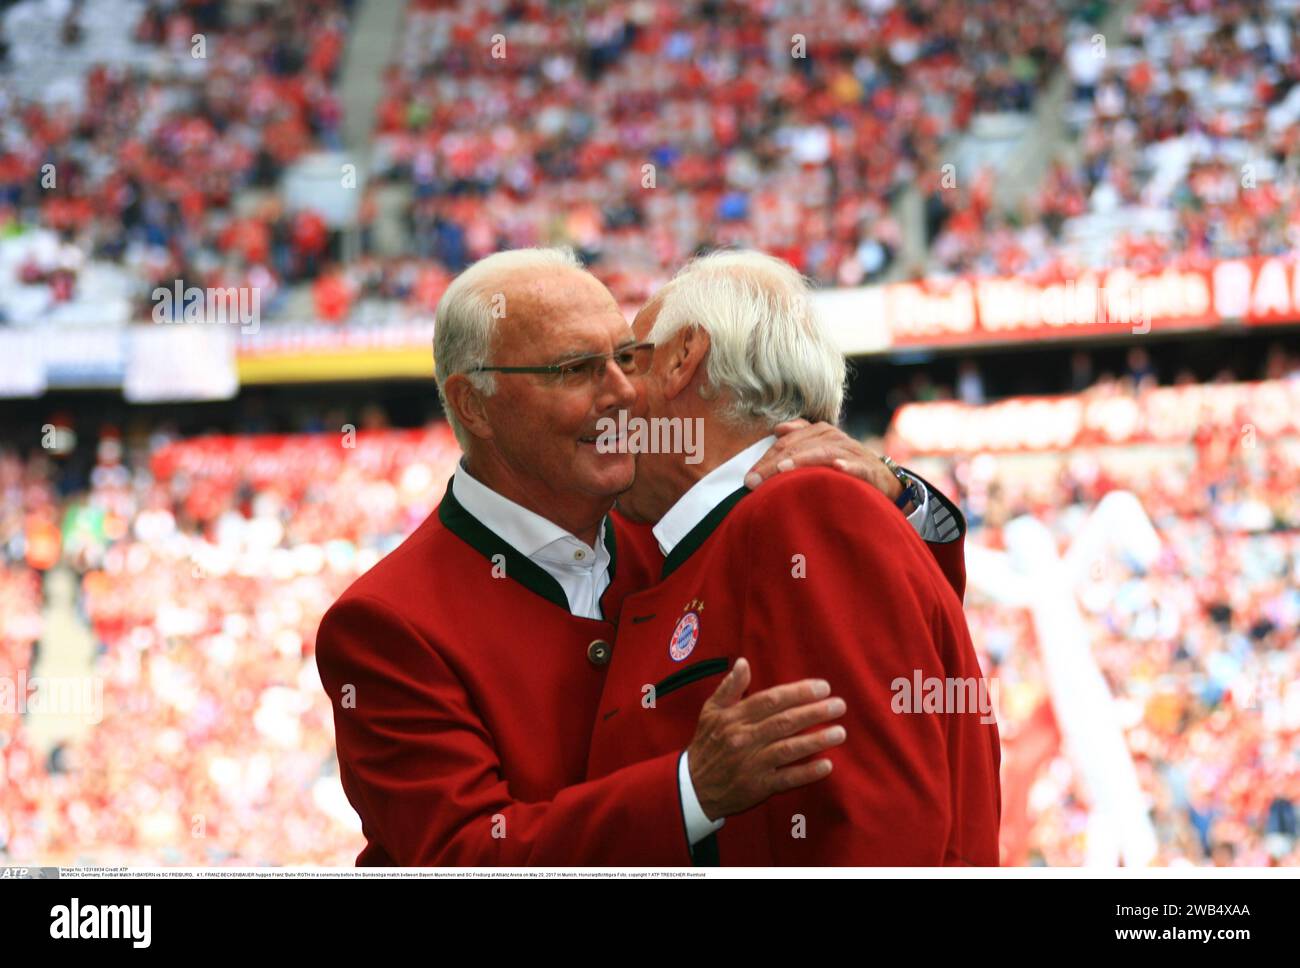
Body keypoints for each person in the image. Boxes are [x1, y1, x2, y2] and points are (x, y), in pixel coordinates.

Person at [316, 247, 968, 865]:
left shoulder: (689, 528)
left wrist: (898, 499)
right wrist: (688, 792)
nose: (624, 393)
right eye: (576, 368)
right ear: (473, 405)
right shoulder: (386, 623)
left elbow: (891, 643)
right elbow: (463, 858)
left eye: (627, 357)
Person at [585, 250, 1001, 865]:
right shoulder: (746, 522)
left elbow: (875, 828)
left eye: (628, 360)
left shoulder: (805, 509)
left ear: (682, 358)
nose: (612, 395)